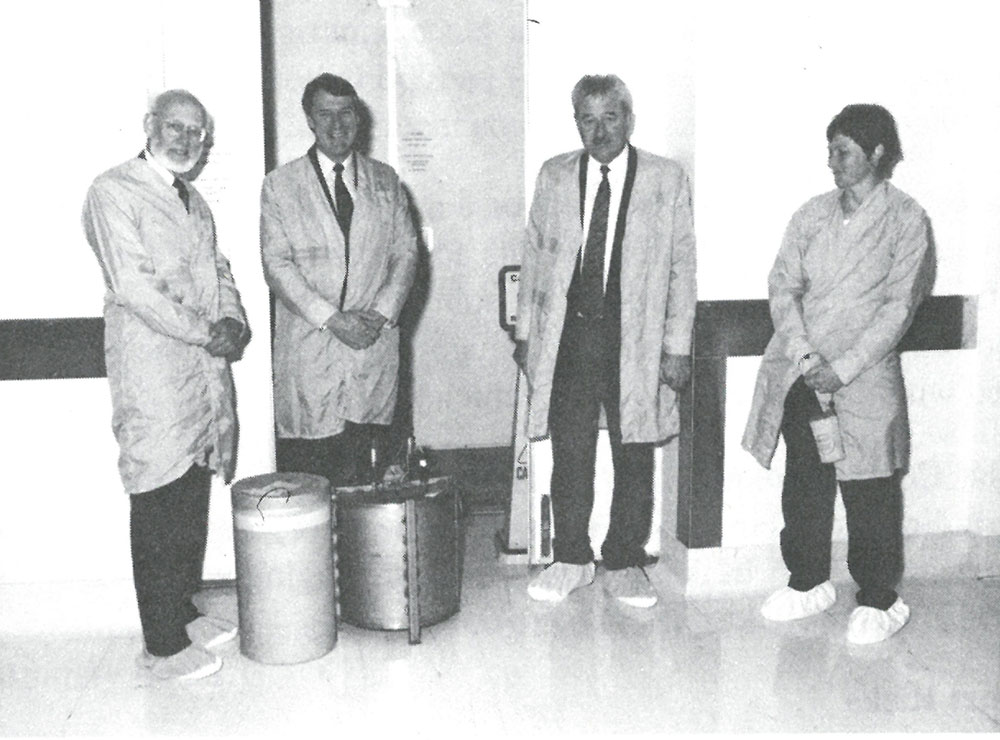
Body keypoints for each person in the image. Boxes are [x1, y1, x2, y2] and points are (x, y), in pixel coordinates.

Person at [743, 104, 935, 644]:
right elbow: (783, 287)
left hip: (866, 375)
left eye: (843, 150)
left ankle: (879, 597)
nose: (832, 161)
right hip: (804, 369)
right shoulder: (811, 215)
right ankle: (807, 581)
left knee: (870, 488)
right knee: (806, 480)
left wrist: (844, 368)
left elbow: (900, 307)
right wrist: (806, 359)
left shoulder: (907, 219)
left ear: (877, 152)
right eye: (830, 149)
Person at [83, 90, 250, 680]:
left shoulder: (194, 201)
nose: (185, 140)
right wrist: (208, 332)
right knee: (158, 490)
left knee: (192, 483)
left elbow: (219, 268)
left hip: (200, 367)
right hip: (153, 367)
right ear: (149, 126)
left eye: (196, 133)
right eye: (175, 128)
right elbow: (135, 285)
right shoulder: (113, 191)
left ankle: (181, 609)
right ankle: (160, 643)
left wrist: (232, 319)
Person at [514, 74, 696, 608]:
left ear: (628, 119)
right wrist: (526, 334)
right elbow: (534, 257)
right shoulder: (554, 175)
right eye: (587, 120)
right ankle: (571, 557)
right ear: (577, 123)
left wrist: (677, 346)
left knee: (633, 451)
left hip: (634, 337)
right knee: (571, 452)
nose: (599, 131)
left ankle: (623, 559)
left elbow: (682, 267)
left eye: (609, 118)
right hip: (570, 337)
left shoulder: (665, 179)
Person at [261, 73, 417, 487]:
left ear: (358, 117)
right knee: (313, 479)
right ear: (309, 120)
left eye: (345, 113)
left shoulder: (386, 180)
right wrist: (333, 318)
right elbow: (277, 265)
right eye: (324, 114)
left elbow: (405, 254)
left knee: (368, 479)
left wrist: (380, 315)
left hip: (371, 342)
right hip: (312, 349)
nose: (336, 124)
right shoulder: (281, 186)